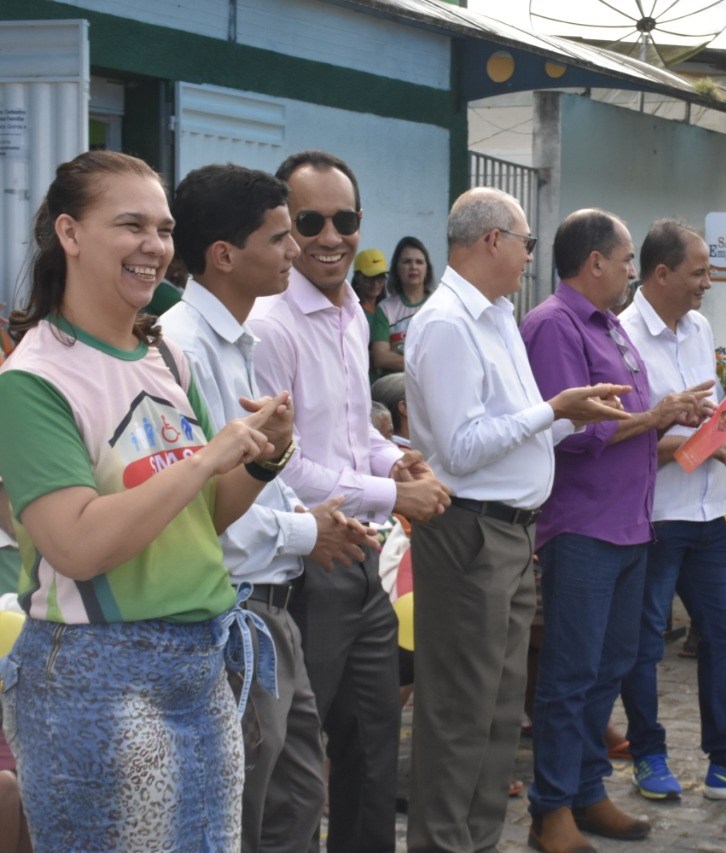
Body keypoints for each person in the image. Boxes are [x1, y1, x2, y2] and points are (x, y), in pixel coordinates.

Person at [0, 149, 289, 849]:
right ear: (68, 233)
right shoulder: (33, 379)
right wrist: (209, 457)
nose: (155, 247)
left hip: (199, 662)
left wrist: (261, 458)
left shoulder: (165, 357)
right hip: (95, 676)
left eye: (162, 229)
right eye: (131, 225)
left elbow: (201, 521)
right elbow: (75, 544)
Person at [163, 163, 382, 851]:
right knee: (242, 813)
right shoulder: (182, 347)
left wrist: (306, 515)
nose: (298, 250)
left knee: (294, 799)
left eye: (336, 223)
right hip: (232, 605)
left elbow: (266, 466)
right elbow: (205, 503)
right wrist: (306, 528)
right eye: (283, 236)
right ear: (224, 255)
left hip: (271, 601)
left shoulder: (235, 338)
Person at [403, 188, 630, 852]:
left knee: (501, 712)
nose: (532, 256)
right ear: (493, 240)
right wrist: (554, 407)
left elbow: (516, 428)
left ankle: (477, 840)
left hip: (509, 528)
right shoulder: (447, 321)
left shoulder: (497, 314)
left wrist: (569, 411)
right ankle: (445, 842)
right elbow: (459, 447)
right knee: (459, 713)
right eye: (527, 241)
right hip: (469, 527)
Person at [248, 149, 451, 850]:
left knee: (370, 750)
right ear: (283, 224)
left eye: (346, 218)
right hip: (305, 564)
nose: (331, 236)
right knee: (293, 765)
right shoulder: (270, 323)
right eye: (310, 220)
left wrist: (397, 457)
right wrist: (394, 490)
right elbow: (281, 465)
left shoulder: (351, 313)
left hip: (362, 560)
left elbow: (351, 426)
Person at [521, 208, 710, 851]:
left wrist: (670, 413)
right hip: (583, 525)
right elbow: (575, 429)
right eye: (626, 258)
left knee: (612, 666)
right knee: (570, 674)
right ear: (595, 261)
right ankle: (550, 810)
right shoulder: (553, 325)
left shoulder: (608, 325)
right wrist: (656, 415)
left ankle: (586, 790)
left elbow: (629, 414)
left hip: (631, 521)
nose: (632, 270)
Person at [616, 219, 726, 804]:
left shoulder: (695, 327)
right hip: (656, 516)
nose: (707, 284)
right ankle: (647, 754)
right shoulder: (620, 338)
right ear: (661, 273)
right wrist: (707, 446)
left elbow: (714, 408)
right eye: (698, 273)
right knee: (645, 643)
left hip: (708, 512)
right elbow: (629, 439)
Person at [377, 236, 433, 372]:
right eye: (406, 261)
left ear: (427, 269)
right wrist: (422, 365)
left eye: (419, 262)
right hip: (396, 384)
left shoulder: (439, 304)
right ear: (396, 268)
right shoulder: (385, 309)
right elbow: (381, 357)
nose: (413, 267)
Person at [352, 248, 394, 379]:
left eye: (380, 277)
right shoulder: (352, 312)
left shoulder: (389, 311)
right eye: (369, 278)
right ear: (357, 277)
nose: (375, 283)